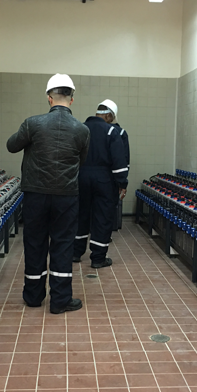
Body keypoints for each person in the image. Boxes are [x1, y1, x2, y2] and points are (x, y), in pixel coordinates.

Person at [6, 74, 90, 314]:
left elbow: (11, 145)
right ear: (72, 99)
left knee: (35, 243)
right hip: (66, 195)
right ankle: (60, 300)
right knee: (63, 245)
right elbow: (81, 161)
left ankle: (33, 296)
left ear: (49, 98)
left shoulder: (33, 124)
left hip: (35, 193)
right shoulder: (82, 130)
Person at [73, 100, 128, 268]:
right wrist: (122, 183)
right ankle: (98, 258)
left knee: (80, 215)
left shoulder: (80, 129)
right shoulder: (111, 131)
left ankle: (75, 253)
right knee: (102, 217)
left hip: (80, 177)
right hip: (104, 180)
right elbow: (119, 161)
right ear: (109, 116)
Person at [112, 119, 130, 230]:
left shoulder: (89, 129)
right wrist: (123, 182)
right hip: (113, 178)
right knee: (110, 206)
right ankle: (109, 230)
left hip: (88, 177)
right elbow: (124, 159)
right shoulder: (120, 132)